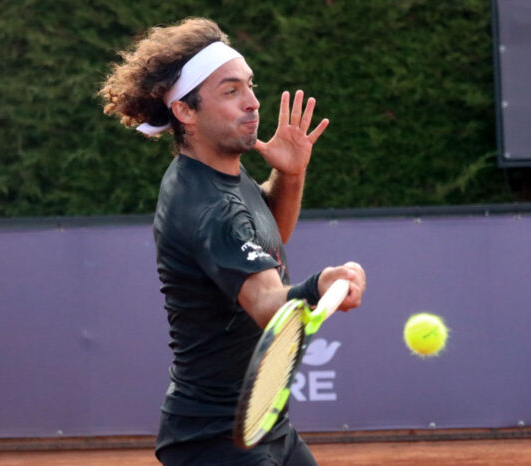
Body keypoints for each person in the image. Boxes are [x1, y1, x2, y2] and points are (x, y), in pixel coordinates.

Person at [99, 17, 366, 465]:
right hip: (213, 440)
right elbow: (265, 304)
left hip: (262, 422)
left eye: (250, 85)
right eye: (231, 91)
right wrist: (321, 284)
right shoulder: (207, 206)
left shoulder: (215, 172)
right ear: (185, 111)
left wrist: (290, 172)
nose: (253, 103)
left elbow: (268, 236)